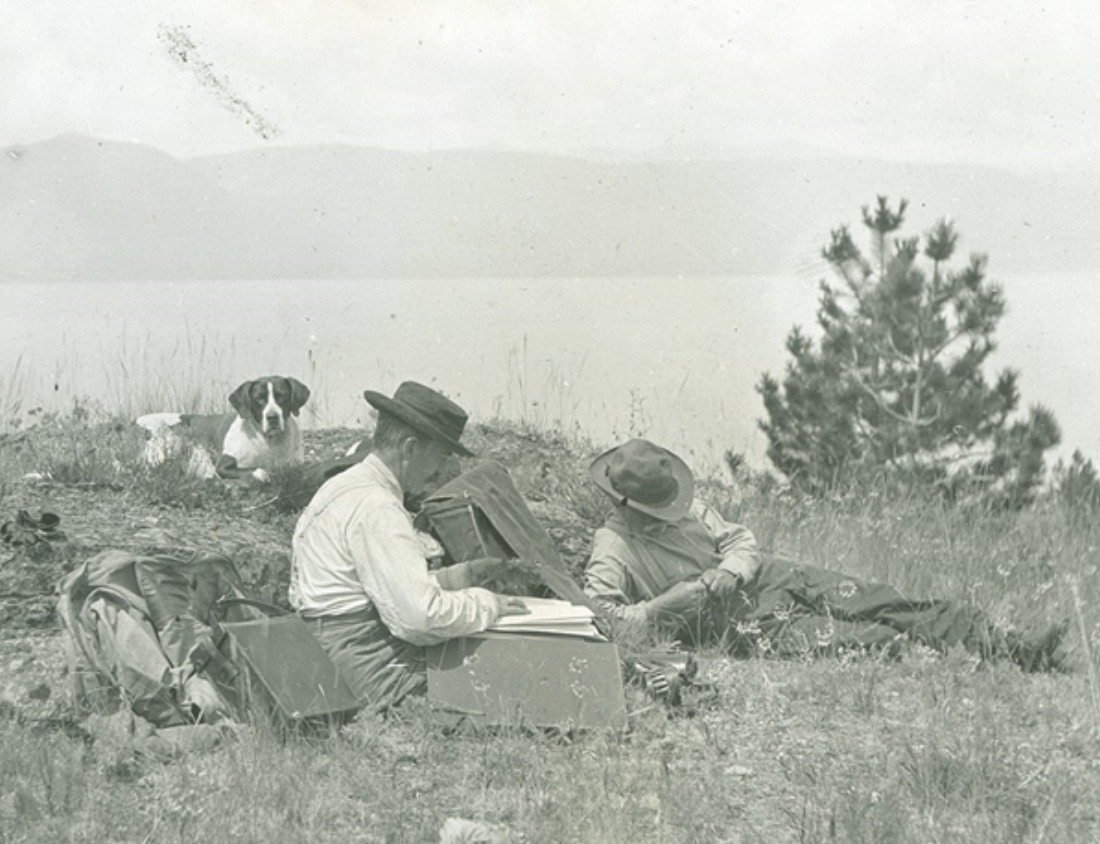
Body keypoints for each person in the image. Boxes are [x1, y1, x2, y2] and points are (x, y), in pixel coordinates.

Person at [583, 438, 1066, 671]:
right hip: (739, 623)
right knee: (867, 639)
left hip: (771, 577)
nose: (673, 508)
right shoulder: (614, 549)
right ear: (632, 504)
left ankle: (1009, 645)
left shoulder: (686, 507)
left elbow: (739, 539)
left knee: (879, 599)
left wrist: (731, 569)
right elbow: (601, 619)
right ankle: (968, 664)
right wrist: (666, 607)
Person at [289, 381, 530, 710]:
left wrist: (460, 577)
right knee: (505, 678)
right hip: (366, 668)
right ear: (410, 447)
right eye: (441, 456)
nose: (442, 471)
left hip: (328, 655)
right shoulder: (378, 509)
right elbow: (419, 618)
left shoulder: (343, 487)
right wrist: (487, 604)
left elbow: (374, 586)